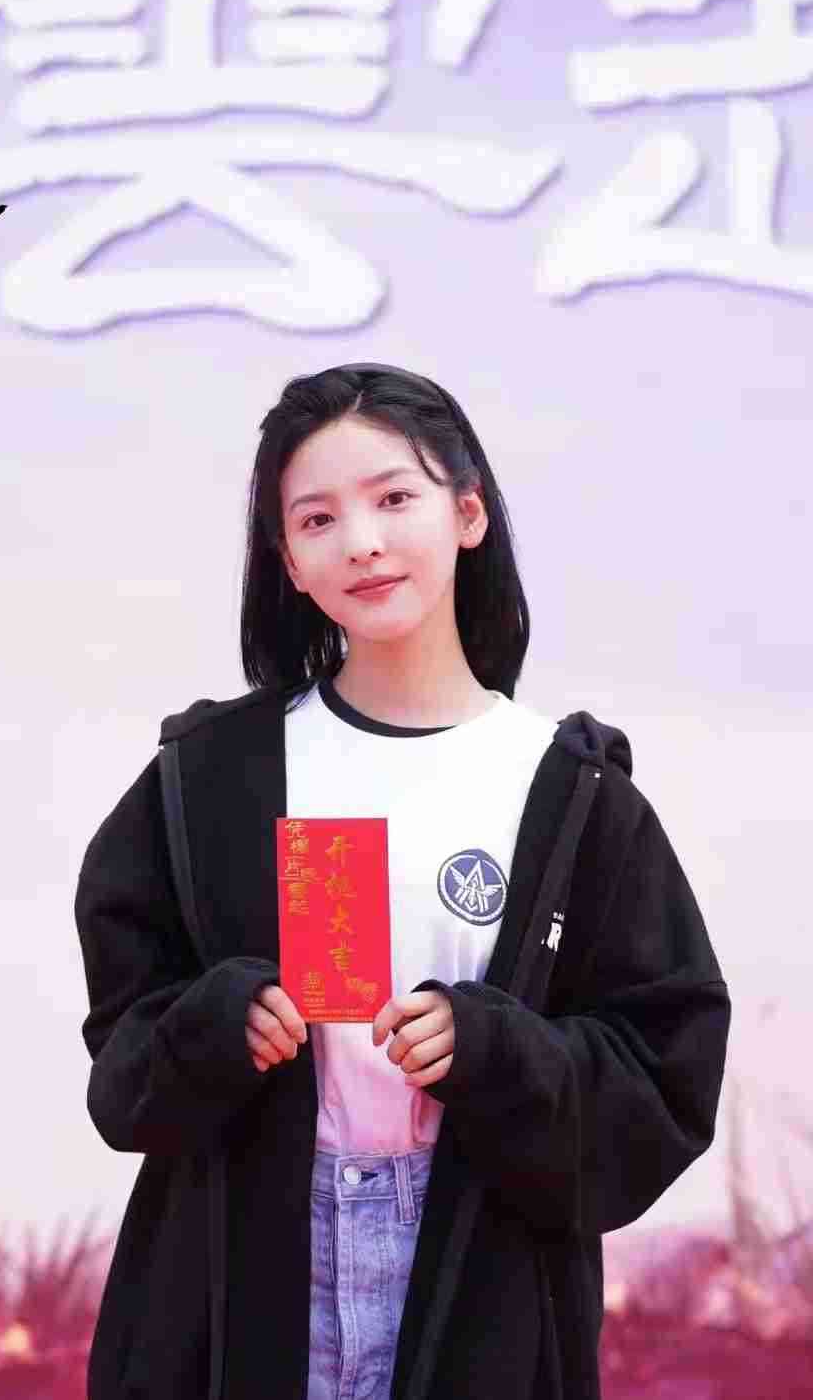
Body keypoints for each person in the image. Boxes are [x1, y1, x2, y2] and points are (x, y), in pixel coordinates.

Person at [73, 362, 730, 1400]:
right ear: (288, 562)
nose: (362, 542)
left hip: (480, 1280)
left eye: (394, 499)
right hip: (239, 1283)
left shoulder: (570, 792)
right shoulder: (209, 776)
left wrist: (493, 1051)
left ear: (467, 514)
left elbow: (667, 1073)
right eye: (317, 519)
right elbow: (124, 1063)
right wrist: (216, 1026)